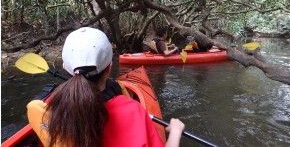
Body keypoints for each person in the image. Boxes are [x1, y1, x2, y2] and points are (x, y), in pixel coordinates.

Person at [26, 27, 185, 147]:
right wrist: (176, 133)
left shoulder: (53, 111)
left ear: (66, 67)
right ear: (109, 67)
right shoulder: (132, 110)